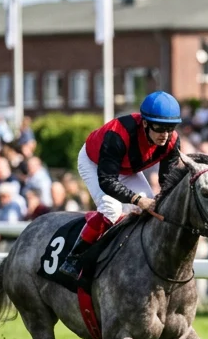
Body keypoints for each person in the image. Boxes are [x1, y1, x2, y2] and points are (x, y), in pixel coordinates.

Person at [57, 91, 181, 281]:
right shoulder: (118, 134)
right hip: (95, 163)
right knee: (111, 209)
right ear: (145, 123)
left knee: (149, 211)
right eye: (159, 127)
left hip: (126, 168)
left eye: (170, 128)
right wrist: (138, 200)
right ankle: (75, 257)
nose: (164, 135)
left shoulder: (171, 141)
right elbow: (107, 180)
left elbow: (167, 181)